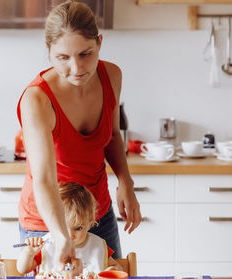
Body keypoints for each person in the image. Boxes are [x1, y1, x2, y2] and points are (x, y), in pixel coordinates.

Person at [16, 0, 143, 272]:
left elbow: (109, 136)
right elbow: (44, 178)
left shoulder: (112, 75)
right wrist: (60, 234)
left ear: (99, 42)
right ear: (49, 52)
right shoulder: (37, 99)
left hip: (97, 215)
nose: (77, 68)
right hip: (46, 222)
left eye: (85, 54)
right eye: (63, 57)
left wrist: (125, 182)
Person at [16, 182, 122, 275]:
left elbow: (118, 269)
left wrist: (112, 270)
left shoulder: (97, 245)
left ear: (90, 223)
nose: (70, 234)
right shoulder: (47, 245)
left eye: (78, 228)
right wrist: (29, 253)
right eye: (64, 227)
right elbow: (22, 269)